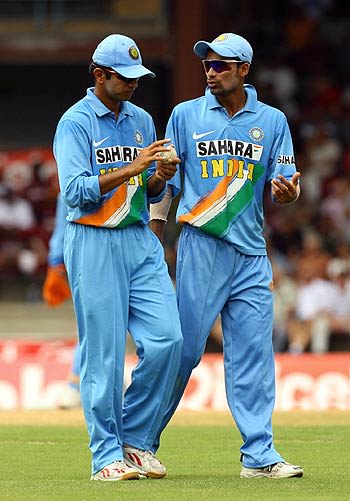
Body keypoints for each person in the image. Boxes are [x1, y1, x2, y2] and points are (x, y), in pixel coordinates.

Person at [150, 33, 303, 479]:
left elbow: (286, 183)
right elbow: (166, 185)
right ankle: (139, 442)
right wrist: (156, 235)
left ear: (243, 70)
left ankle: (259, 456)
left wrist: (288, 192)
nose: (210, 72)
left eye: (220, 65)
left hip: (253, 254)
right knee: (184, 351)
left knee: (254, 354)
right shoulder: (185, 114)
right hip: (202, 244)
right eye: (207, 65)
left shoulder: (272, 121)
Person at [53, 34, 183, 481]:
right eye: (123, 78)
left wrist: (159, 176)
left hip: (138, 236)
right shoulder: (75, 123)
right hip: (92, 239)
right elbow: (74, 193)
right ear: (99, 75)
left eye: (137, 78)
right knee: (105, 357)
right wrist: (133, 167)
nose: (132, 85)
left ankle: (135, 441)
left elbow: (150, 192)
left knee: (170, 341)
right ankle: (104, 457)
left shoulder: (142, 120)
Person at [42, 193, 81, 409]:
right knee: (94, 325)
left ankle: (116, 383)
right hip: (83, 256)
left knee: (112, 326)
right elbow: (61, 225)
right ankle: (74, 386)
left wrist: (55, 260)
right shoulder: (71, 185)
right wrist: (56, 262)